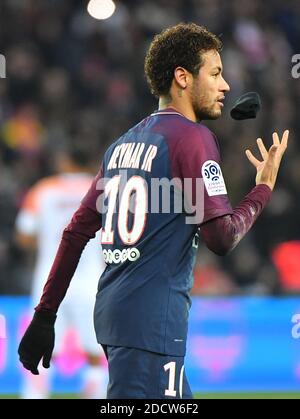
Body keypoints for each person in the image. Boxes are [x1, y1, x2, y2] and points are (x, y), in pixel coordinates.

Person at [18, 23, 289, 399]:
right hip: (151, 325)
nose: (226, 85)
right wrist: (262, 189)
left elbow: (76, 232)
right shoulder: (193, 138)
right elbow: (222, 237)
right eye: (215, 74)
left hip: (118, 318)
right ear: (182, 77)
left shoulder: (121, 146)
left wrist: (45, 314)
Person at [16, 147, 108, 398]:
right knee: (95, 354)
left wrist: (49, 241)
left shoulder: (43, 189)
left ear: (64, 160)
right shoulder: (101, 188)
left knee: (40, 346)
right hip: (91, 281)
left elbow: (24, 235)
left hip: (50, 279)